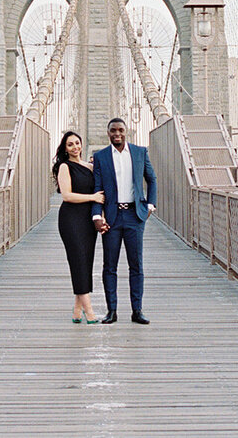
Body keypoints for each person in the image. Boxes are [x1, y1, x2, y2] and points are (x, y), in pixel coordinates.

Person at [91, 117, 156, 325]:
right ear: (108, 133)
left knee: (136, 265)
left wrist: (150, 205)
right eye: (113, 131)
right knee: (109, 265)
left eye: (120, 130)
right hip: (111, 217)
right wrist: (96, 215)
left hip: (134, 216)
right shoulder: (100, 157)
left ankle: (137, 310)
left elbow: (151, 178)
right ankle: (112, 311)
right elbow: (97, 188)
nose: (117, 134)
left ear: (125, 132)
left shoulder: (140, 152)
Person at [54, 131, 104, 323]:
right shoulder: (65, 167)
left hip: (88, 220)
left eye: (77, 143)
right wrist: (92, 197)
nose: (75, 147)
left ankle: (77, 310)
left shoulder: (91, 167)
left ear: (82, 145)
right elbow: (66, 195)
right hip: (70, 220)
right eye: (70, 144)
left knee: (85, 262)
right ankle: (89, 312)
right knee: (77, 261)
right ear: (65, 149)